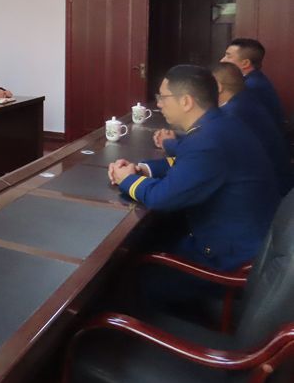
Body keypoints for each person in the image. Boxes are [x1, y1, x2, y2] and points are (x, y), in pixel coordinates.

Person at [109, 65, 279, 272]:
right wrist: (143, 170)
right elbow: (188, 164)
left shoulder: (207, 141)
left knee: (133, 268)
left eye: (163, 97)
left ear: (186, 101)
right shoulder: (221, 123)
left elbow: (161, 198)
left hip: (228, 258)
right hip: (244, 240)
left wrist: (127, 179)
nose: (159, 104)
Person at [157, 63, 292, 197]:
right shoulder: (237, 106)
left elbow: (205, 150)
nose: (159, 104)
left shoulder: (234, 112)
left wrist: (168, 143)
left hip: (274, 189)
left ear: (218, 87)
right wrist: (176, 138)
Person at [220, 37, 286, 131]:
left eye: (228, 56)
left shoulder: (251, 86)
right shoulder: (253, 80)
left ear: (245, 63)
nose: (222, 60)